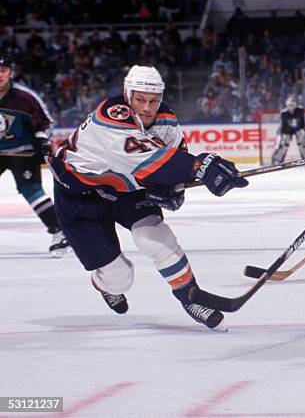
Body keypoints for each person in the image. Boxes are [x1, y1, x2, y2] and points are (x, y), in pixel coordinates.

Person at [49, 65, 249, 331]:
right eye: (140, 99)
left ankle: (190, 297)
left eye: (153, 100)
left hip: (126, 190)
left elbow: (175, 157)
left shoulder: (166, 118)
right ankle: (104, 284)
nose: (147, 108)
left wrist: (176, 186)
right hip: (80, 197)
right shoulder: (111, 117)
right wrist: (201, 166)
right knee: (120, 278)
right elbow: (154, 162)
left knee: (155, 237)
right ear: (127, 95)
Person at [0, 54, 69, 256]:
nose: (0, 75)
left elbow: (46, 122)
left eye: (3, 71)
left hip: (23, 151)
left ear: (11, 73)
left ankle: (61, 231)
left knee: (31, 190)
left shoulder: (25, 97)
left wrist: (41, 139)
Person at [270, 95, 305, 165]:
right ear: (286, 105)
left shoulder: (300, 111)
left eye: (292, 105)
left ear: (295, 105)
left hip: (298, 128)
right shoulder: (284, 113)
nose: (290, 107)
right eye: (289, 105)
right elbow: (282, 125)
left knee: (303, 142)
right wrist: (279, 133)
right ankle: (277, 160)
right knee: (284, 143)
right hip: (287, 129)